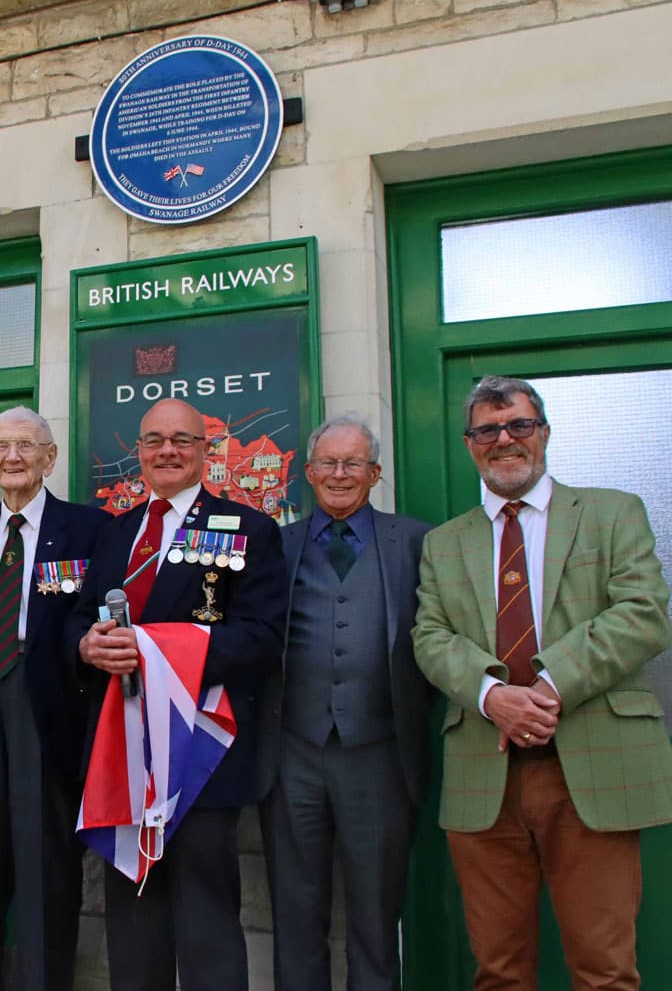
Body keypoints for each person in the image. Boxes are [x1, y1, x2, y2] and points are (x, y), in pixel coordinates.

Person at [413, 375, 672, 989]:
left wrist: (550, 689)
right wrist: (494, 697)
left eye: (519, 425)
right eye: (487, 430)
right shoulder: (444, 544)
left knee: (605, 970)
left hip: (592, 769)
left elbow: (645, 613)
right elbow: (431, 637)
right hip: (485, 777)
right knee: (498, 971)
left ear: (544, 433)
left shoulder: (613, 512)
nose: (504, 440)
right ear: (470, 444)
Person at [70, 397, 286, 991]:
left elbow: (263, 639)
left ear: (205, 451)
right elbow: (78, 619)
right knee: (132, 921)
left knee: (207, 923)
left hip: (199, 756)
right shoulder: (113, 534)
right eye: (155, 440)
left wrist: (156, 649)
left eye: (183, 440)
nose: (168, 451)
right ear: (138, 453)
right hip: (121, 755)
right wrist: (87, 647)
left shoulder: (249, 529)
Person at [257, 415, 432, 991]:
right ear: (308, 473)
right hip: (291, 756)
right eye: (328, 463)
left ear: (374, 473)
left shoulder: (414, 541)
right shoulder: (273, 547)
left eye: (352, 463)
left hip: (379, 756)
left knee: (377, 916)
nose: (339, 474)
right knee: (295, 912)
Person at [0, 406, 107, 991]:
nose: (13, 457)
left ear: (50, 457)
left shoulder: (90, 529)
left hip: (50, 708)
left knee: (47, 872)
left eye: (26, 446)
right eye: (1, 447)